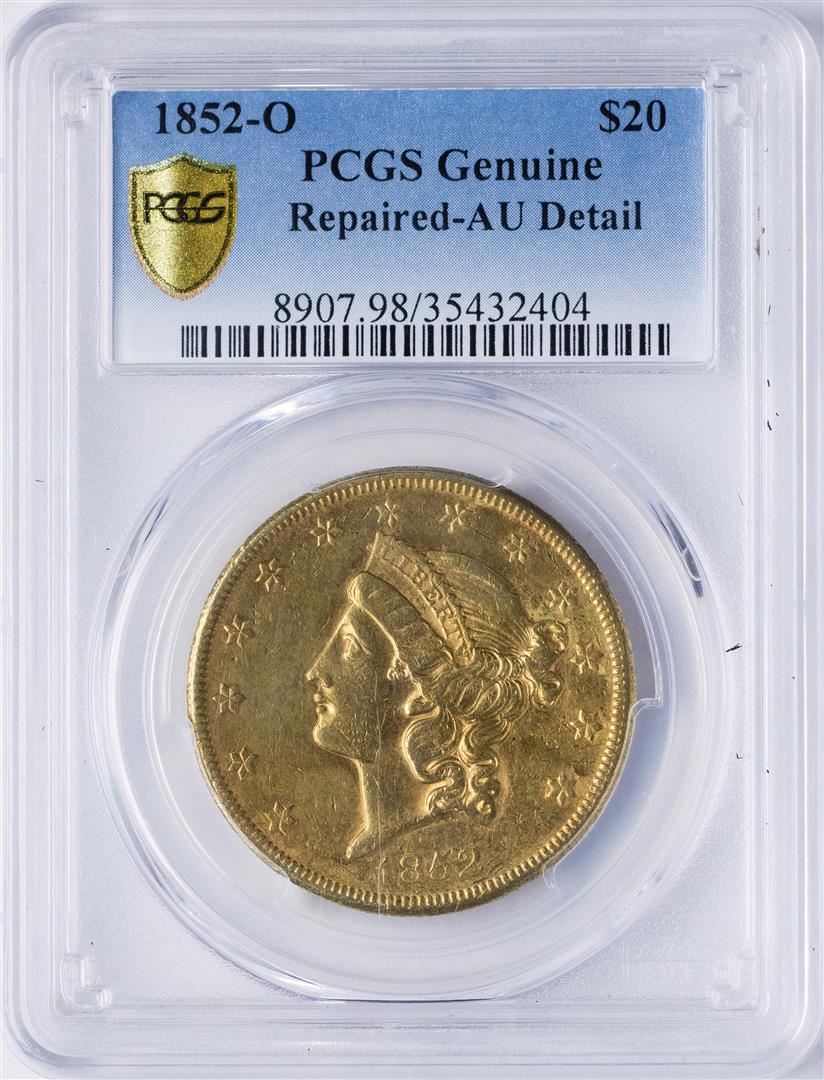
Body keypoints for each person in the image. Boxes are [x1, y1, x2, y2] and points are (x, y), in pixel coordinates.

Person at [306, 532, 567, 859]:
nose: (315, 672)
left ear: (420, 690)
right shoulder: (379, 847)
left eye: (350, 647)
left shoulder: (440, 848)